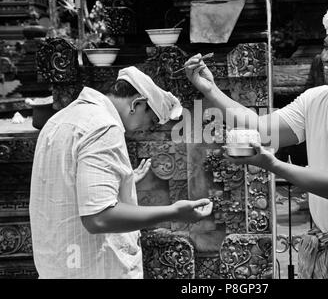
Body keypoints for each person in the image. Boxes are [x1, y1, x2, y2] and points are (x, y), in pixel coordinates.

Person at [184, 7, 328, 279]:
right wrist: (210, 90)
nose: (325, 57)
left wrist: (272, 165)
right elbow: (263, 130)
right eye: (325, 47)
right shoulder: (316, 99)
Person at [29, 66, 212, 279]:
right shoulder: (104, 127)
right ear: (137, 104)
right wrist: (174, 212)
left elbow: (64, 186)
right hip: (95, 269)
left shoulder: (60, 119)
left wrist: (119, 184)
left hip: (59, 266)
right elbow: (99, 218)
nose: (145, 130)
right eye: (151, 121)